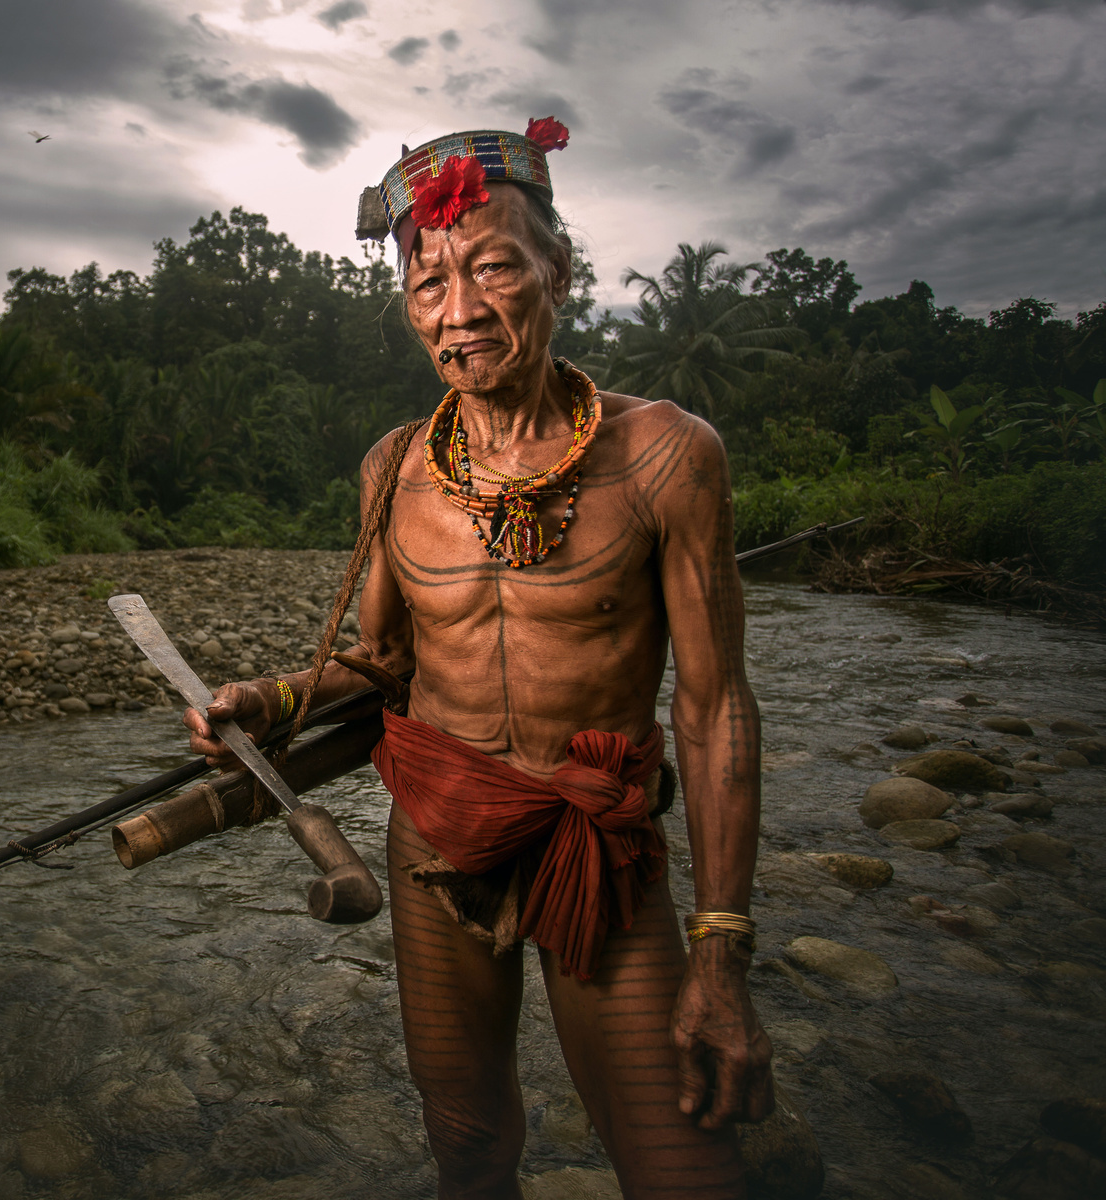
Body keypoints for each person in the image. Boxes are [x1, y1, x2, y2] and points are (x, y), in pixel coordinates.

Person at [184, 123, 774, 1198]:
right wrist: (269, 700)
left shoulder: (667, 457)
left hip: (595, 850)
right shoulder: (395, 468)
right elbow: (382, 662)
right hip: (436, 840)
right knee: (465, 1142)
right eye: (427, 283)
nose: (458, 311)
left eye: (494, 267)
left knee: (684, 1167)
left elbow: (714, 707)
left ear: (559, 271)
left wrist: (722, 949)